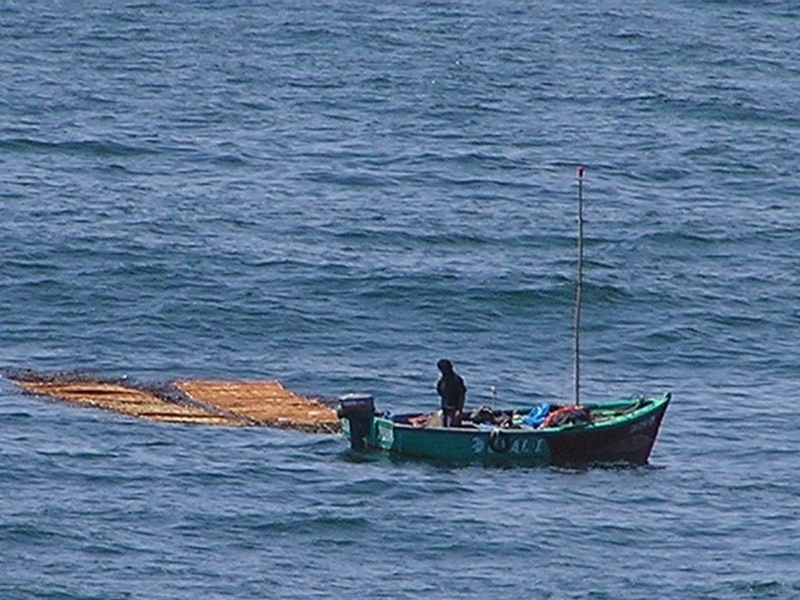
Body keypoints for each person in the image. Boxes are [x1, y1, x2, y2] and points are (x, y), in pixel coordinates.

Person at [436, 359, 467, 427]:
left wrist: (459, 410)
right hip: (445, 407)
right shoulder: (443, 379)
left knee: (453, 426)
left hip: (454, 408)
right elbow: (440, 392)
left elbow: (462, 395)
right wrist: (438, 382)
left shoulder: (456, 380)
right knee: (444, 425)